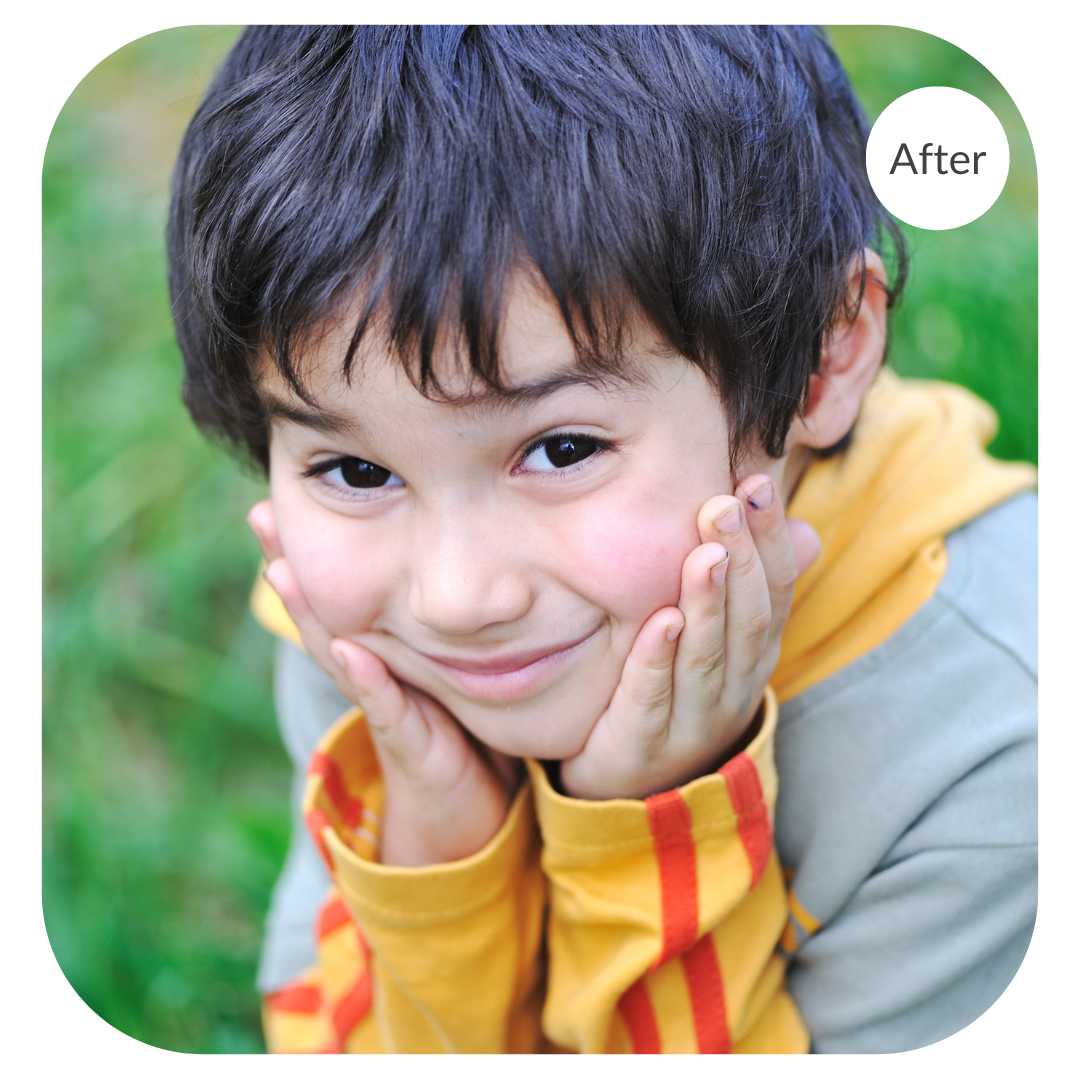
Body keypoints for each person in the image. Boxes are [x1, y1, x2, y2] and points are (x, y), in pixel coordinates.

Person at [168, 26, 1038, 1054]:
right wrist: (435, 843)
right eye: (357, 472)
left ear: (821, 356)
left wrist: (650, 827)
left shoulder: (999, 764)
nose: (455, 596)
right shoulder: (367, 642)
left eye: (563, 447)